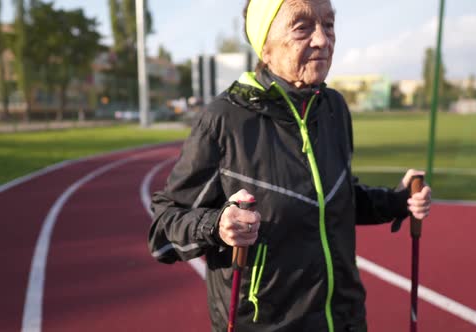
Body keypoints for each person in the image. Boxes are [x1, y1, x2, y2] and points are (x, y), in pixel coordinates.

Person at [148, 0, 432, 331]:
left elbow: (334, 201)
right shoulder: (225, 120)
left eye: (328, 25)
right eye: (302, 27)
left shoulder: (333, 108)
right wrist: (217, 225)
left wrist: (398, 201)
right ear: (264, 45)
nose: (323, 40)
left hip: (345, 320)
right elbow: (163, 230)